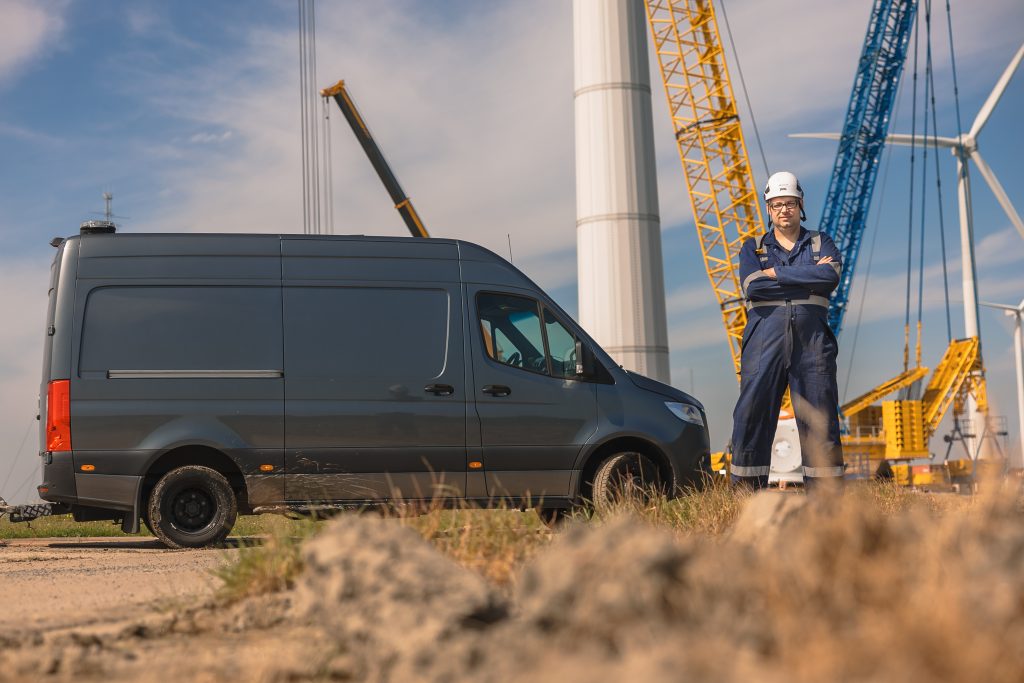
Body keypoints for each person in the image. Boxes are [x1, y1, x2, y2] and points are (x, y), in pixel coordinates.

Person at [730, 171, 844, 490]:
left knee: (820, 418)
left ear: (801, 204)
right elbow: (753, 286)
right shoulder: (752, 247)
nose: (784, 210)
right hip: (764, 343)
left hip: (812, 345)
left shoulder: (821, 242)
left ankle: (827, 503)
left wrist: (776, 273)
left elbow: (830, 276)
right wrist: (806, 275)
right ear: (769, 209)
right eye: (777, 204)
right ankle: (744, 497)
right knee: (751, 416)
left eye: (790, 203)